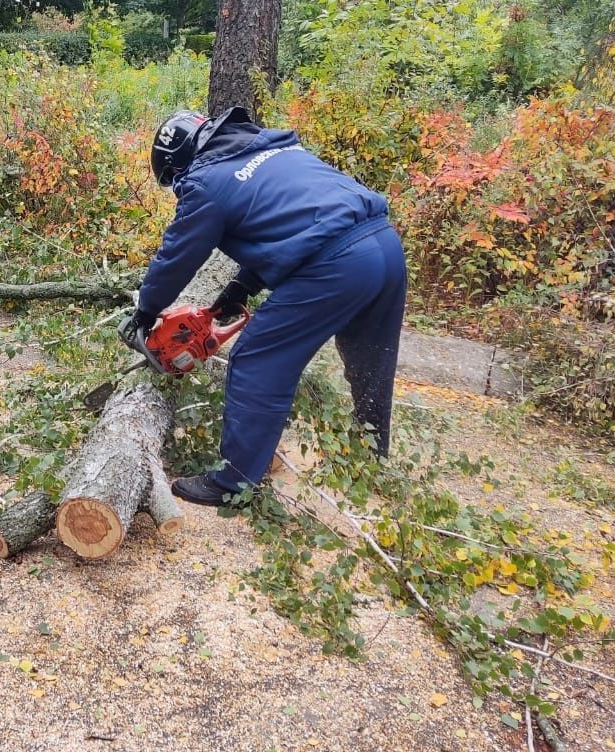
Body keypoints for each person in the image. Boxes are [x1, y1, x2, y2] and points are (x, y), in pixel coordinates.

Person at [119, 107, 407, 506]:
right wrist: (241, 286)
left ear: (180, 161)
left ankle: (234, 482)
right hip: (385, 246)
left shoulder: (205, 181)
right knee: (371, 359)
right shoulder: (271, 149)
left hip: (337, 264)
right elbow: (293, 220)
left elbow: (178, 255)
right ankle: (370, 457)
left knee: (257, 358)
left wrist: (146, 310)